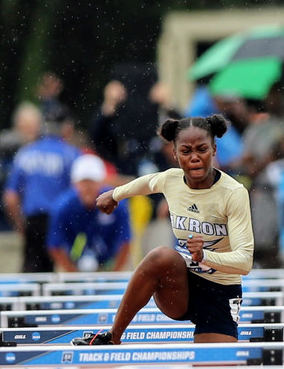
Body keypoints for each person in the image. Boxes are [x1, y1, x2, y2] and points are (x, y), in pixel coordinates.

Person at [72, 115, 254, 346]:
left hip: (221, 291)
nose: (195, 158)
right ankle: (113, 335)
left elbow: (245, 262)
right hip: (182, 287)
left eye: (202, 149)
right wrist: (115, 194)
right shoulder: (171, 179)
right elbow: (148, 183)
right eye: (186, 151)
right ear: (175, 154)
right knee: (161, 256)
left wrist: (205, 256)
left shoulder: (233, 193)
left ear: (214, 149)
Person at [3, 103, 82, 273]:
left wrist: (21, 226)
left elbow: (10, 197)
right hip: (62, 219)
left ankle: (30, 300)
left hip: (33, 221)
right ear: (66, 128)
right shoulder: (71, 154)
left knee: (32, 273)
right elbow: (81, 191)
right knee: (65, 270)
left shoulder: (26, 153)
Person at [47, 154, 132, 272]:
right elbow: (55, 246)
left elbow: (126, 242)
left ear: (101, 183)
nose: (87, 187)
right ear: (75, 184)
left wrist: (114, 273)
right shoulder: (63, 207)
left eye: (91, 182)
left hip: (108, 262)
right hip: (73, 262)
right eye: (83, 182)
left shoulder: (117, 204)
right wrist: (73, 274)